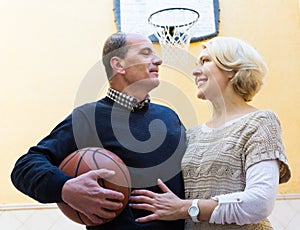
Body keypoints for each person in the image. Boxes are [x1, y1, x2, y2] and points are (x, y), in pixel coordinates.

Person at [11, 32, 187, 230]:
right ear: (118, 65)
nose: (158, 60)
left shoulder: (170, 116)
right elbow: (24, 168)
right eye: (146, 53)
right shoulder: (88, 117)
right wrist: (65, 188)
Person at [129, 36, 291, 229]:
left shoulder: (260, 122)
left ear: (232, 69)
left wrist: (185, 208)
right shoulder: (192, 134)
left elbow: (258, 204)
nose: (195, 71)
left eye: (205, 61)